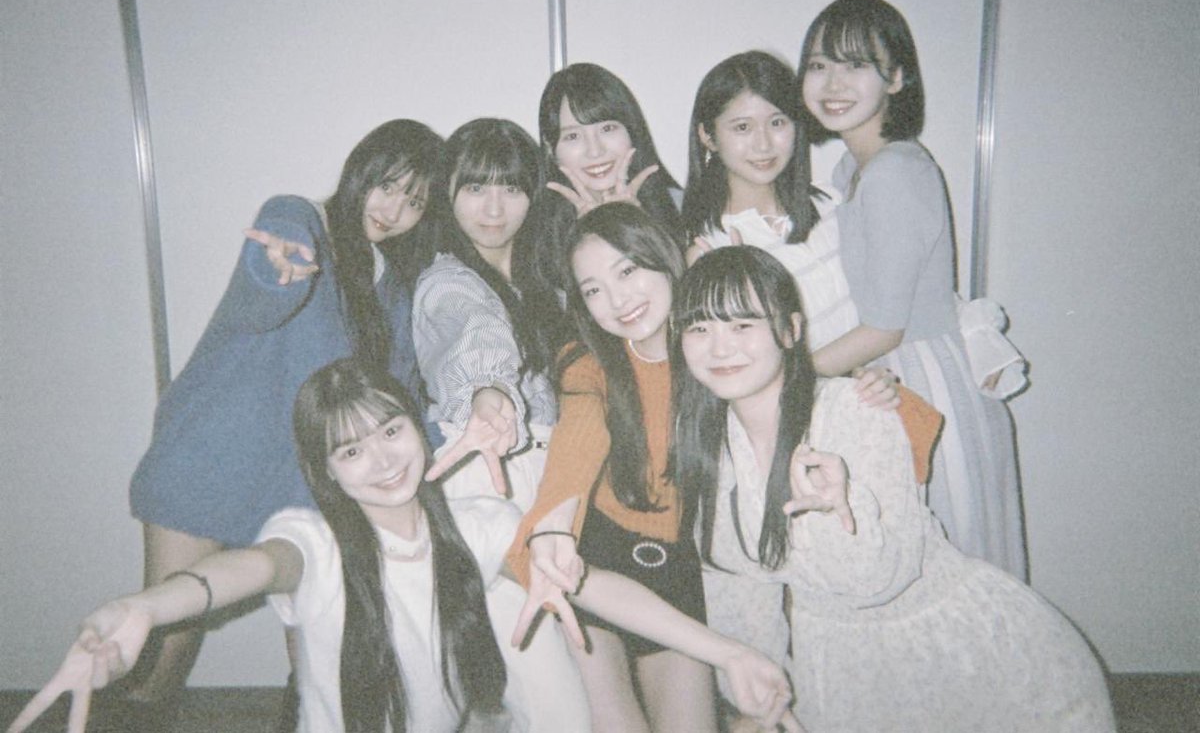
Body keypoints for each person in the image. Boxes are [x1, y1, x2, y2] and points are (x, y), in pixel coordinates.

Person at [11, 358, 800, 733]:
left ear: (418, 430)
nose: (383, 460)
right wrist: (147, 608)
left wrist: (725, 651)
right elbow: (245, 570)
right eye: (351, 450)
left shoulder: (476, 520)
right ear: (325, 471)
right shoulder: (315, 540)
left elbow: (588, 583)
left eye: (391, 431)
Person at [671, 246, 1115, 732]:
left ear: (790, 331)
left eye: (742, 325)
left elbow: (878, 582)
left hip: (963, 657)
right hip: (839, 670)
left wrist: (837, 513)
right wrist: (755, 692)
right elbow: (735, 588)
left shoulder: (855, 410)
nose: (719, 348)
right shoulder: (709, 445)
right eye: (699, 328)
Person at [506, 203, 895, 732]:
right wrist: (554, 519)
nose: (617, 300)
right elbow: (581, 428)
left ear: (666, 259)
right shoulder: (589, 361)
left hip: (684, 570)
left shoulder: (714, 355)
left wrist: (875, 388)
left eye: (628, 270)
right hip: (597, 559)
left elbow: (784, 380)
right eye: (593, 289)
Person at [118, 119, 442, 726]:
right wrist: (276, 269)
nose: (394, 209)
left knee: (318, 656)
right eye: (386, 185)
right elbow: (265, 282)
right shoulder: (301, 220)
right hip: (213, 457)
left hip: (304, 487)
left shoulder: (392, 286)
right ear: (359, 170)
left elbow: (398, 393)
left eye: (414, 200)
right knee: (163, 649)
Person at [798, 0, 1025, 577]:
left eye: (856, 65)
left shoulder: (894, 172)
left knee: (941, 566)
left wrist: (792, 378)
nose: (833, 83)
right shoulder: (854, 169)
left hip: (919, 379)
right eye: (819, 65)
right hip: (890, 375)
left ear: (896, 78)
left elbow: (884, 328)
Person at [410, 118, 587, 730]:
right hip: (489, 474)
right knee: (552, 693)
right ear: (447, 193)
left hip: (553, 477)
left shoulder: (544, 277)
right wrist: (488, 392)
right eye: (474, 187)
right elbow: (475, 332)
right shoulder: (445, 281)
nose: (493, 208)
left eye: (510, 188)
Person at [683, 50, 861, 362]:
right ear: (708, 136)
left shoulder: (832, 201)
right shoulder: (711, 250)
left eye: (777, 122)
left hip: (881, 380)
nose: (764, 144)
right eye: (742, 127)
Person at [533, 63, 685, 293]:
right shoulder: (538, 236)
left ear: (632, 131)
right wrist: (587, 236)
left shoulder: (683, 210)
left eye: (607, 129)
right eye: (572, 136)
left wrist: (633, 228)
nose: (595, 151)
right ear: (550, 149)